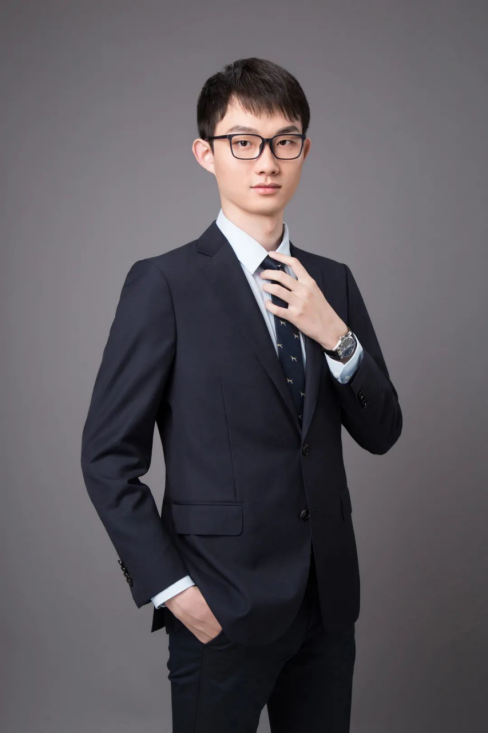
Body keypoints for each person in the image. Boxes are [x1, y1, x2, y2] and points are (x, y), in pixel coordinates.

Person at [80, 57, 403, 733]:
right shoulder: (164, 284)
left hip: (326, 605)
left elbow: (382, 431)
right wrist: (172, 590)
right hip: (219, 606)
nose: (266, 161)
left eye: (284, 141)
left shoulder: (333, 283)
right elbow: (107, 458)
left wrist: (335, 335)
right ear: (207, 153)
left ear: (304, 151)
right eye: (243, 142)